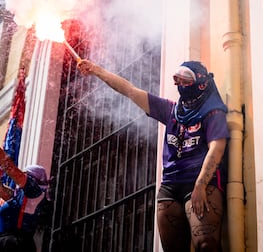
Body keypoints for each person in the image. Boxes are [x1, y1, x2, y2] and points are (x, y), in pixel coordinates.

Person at [77, 59, 229, 251]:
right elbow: (130, 90)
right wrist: (97, 70)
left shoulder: (213, 112)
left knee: (207, 245)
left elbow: (217, 147)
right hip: (170, 186)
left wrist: (200, 185)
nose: (180, 86)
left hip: (199, 183)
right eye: (177, 81)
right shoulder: (171, 110)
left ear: (201, 83)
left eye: (186, 81)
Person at [0, 131, 49, 252]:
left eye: (24, 174)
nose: (20, 177)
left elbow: (9, 167)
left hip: (14, 246)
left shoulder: (34, 192)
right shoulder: (18, 197)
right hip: (4, 245)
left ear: (33, 178)